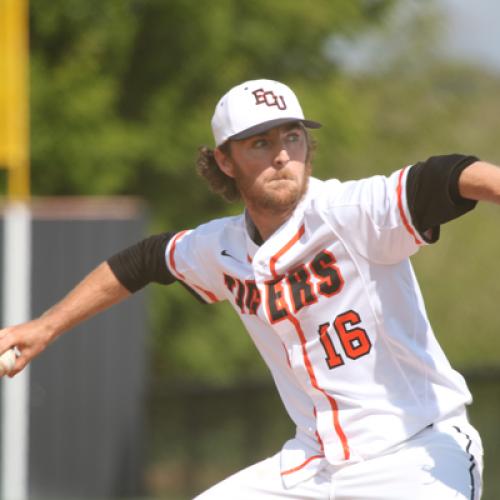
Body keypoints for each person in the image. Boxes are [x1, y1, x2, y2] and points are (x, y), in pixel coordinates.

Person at [1, 79, 499, 499]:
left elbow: (449, 176)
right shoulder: (222, 247)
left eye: (293, 136)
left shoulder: (351, 212)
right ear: (225, 160)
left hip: (414, 451)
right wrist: (44, 327)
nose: (283, 154)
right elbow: (144, 260)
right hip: (314, 464)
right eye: (260, 143)